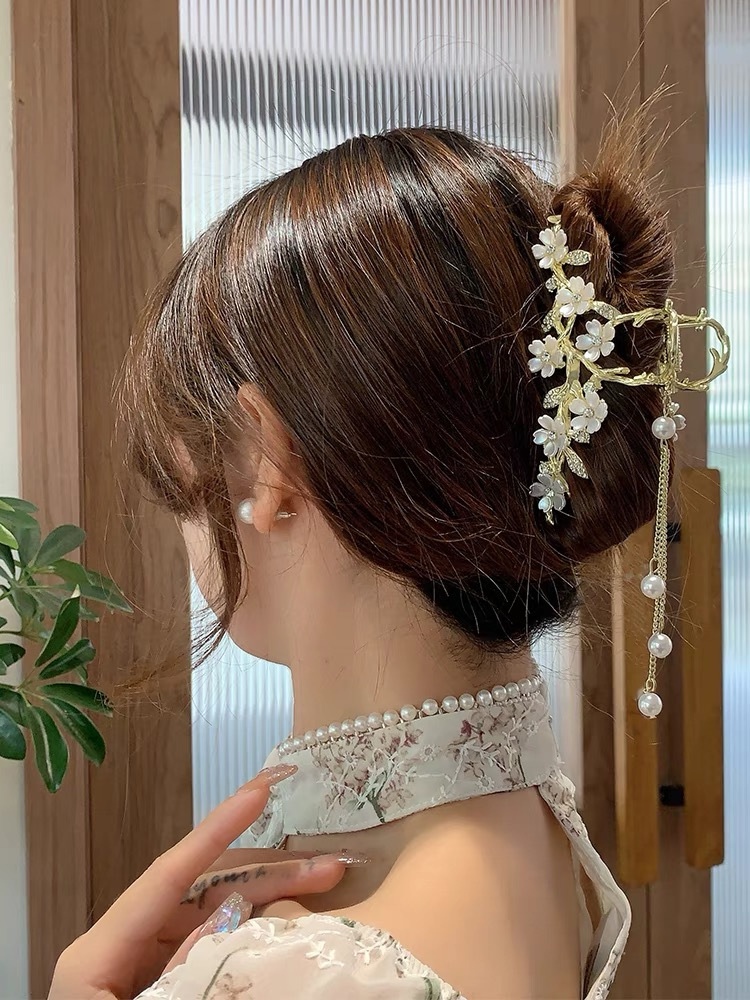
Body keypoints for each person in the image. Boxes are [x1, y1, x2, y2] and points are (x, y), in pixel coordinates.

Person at [73, 121, 677, 998]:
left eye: (182, 486)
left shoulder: (297, 972)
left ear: (268, 466)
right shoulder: (535, 828)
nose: (184, 529)